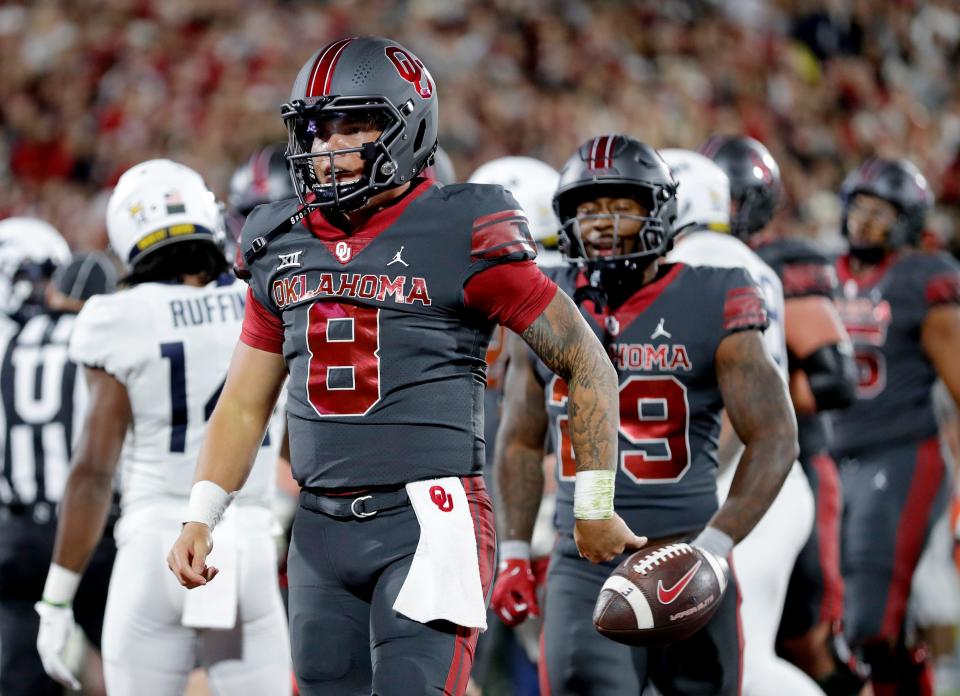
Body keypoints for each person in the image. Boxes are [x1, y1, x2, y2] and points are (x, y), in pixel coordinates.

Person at [166, 36, 637, 696]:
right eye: (317, 128)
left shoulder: (460, 228)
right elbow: (244, 402)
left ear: (407, 126)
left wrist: (593, 503)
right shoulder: (280, 239)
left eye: (353, 124)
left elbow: (587, 361)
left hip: (429, 519)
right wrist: (201, 513)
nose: (329, 147)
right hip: (320, 532)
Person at [492, 134, 797, 696]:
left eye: (621, 206)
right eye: (587, 209)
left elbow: (775, 434)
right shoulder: (544, 299)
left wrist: (718, 544)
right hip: (584, 559)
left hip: (687, 547)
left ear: (659, 210)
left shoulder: (716, 292)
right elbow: (518, 440)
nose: (601, 222)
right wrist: (512, 550)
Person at [35, 159, 292, 696]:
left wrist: (57, 599)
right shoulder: (262, 300)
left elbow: (92, 470)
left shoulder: (117, 317)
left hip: (155, 542)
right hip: (248, 540)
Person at [698, 136, 863, 693]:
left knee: (809, 637)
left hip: (790, 459)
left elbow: (836, 377)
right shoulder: (688, 264)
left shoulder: (782, 263)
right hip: (720, 470)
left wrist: (762, 402)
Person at [664, 148, 822, 695]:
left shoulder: (701, 260)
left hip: (743, 481)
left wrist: (689, 483)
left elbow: (733, 405)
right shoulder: (746, 260)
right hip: (760, 480)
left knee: (745, 662)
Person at [830, 157, 960, 693]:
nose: (864, 221)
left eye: (879, 211)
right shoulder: (820, 273)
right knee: (835, 618)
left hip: (901, 455)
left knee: (870, 623)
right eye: (858, 207)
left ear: (906, 219)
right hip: (832, 460)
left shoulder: (924, 279)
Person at [0, 219, 118, 696]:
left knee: (21, 675)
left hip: (18, 537)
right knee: (144, 668)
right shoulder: (96, 332)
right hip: (97, 530)